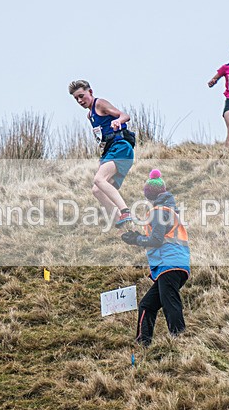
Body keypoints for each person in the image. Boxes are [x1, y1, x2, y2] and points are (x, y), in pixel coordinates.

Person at [121, 169, 190, 346]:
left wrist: (136, 240)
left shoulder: (159, 211)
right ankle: (143, 343)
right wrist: (139, 237)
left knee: (170, 302)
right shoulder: (170, 210)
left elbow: (156, 240)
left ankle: (179, 341)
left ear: (150, 196)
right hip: (176, 264)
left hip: (169, 264)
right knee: (147, 305)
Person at [69, 80, 136, 229]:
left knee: (99, 179)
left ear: (90, 92)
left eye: (81, 96)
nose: (79, 100)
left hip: (121, 147)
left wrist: (118, 121)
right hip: (109, 150)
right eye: (76, 99)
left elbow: (125, 115)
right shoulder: (90, 116)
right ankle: (124, 226)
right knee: (97, 190)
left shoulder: (99, 104)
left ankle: (125, 212)